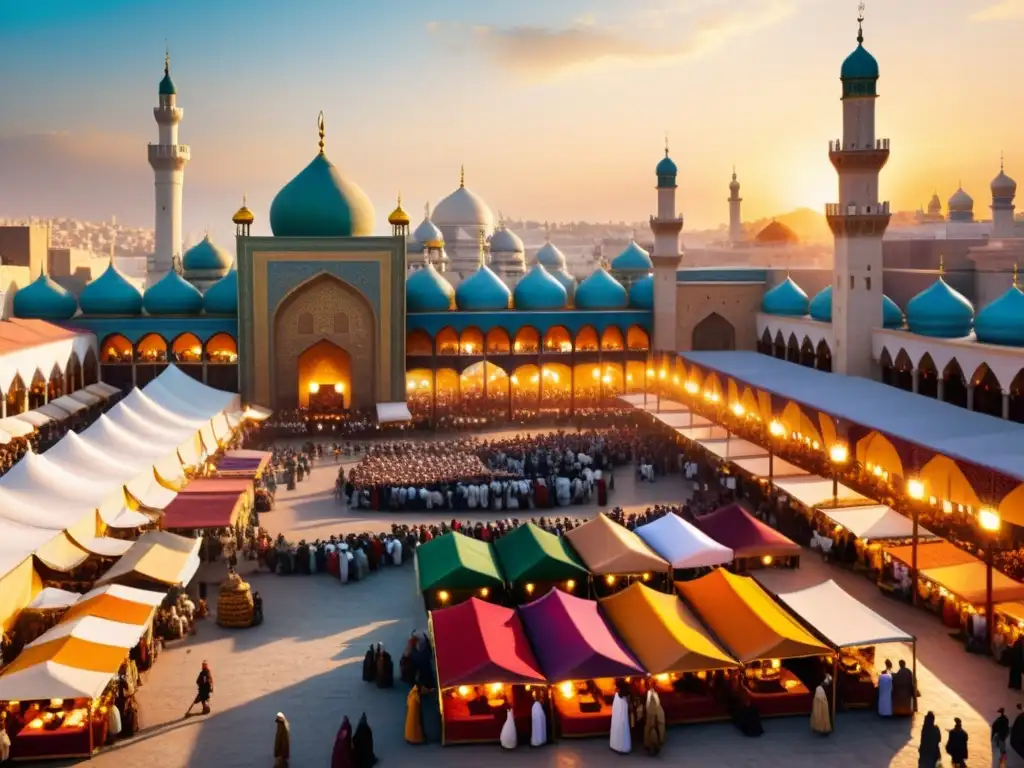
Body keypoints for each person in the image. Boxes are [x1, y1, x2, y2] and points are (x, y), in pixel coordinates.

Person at [643, 687, 666, 756]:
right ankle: (655, 745)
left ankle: (650, 745)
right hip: (655, 716)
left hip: (652, 716)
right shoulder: (658, 707)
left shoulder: (650, 697)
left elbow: (649, 703)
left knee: (649, 729)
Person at [609, 682, 631, 754]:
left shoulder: (618, 697)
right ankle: (621, 745)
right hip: (621, 705)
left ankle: (617, 744)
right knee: (621, 724)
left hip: (620, 704)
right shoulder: (622, 699)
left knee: (619, 724)